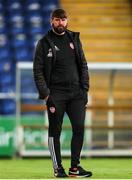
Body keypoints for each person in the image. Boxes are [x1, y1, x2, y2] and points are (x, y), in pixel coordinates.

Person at [33, 8, 92, 178]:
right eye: (57, 20)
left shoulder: (74, 39)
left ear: (67, 20)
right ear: (52, 21)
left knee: (79, 128)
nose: (61, 23)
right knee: (55, 132)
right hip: (56, 94)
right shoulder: (44, 43)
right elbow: (37, 71)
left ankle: (75, 167)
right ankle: (58, 168)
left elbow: (83, 65)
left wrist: (84, 88)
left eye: (63, 19)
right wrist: (46, 94)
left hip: (76, 94)